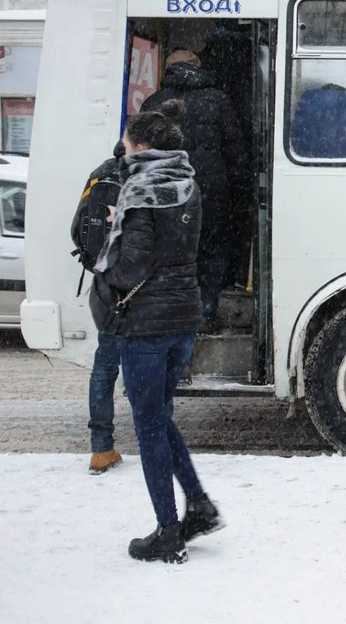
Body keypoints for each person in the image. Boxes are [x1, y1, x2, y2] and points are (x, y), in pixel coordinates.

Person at [91, 100, 223, 563]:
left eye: (128, 141)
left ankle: (169, 532)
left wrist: (106, 265)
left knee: (148, 425)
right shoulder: (187, 184)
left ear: (142, 145)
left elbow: (132, 266)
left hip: (146, 321)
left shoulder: (141, 188)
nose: (123, 147)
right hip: (183, 314)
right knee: (160, 417)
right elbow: (178, 246)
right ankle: (200, 506)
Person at [142, 49, 246, 329]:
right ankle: (205, 311)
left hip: (166, 195)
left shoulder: (154, 102)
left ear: (168, 69)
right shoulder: (218, 100)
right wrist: (238, 189)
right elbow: (235, 151)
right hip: (210, 194)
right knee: (213, 249)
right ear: (198, 66)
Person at [71, 140, 126, 475]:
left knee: (105, 368)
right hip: (139, 288)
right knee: (150, 366)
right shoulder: (151, 178)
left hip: (106, 285)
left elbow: (78, 228)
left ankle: (101, 449)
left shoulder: (101, 173)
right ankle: (157, 440)